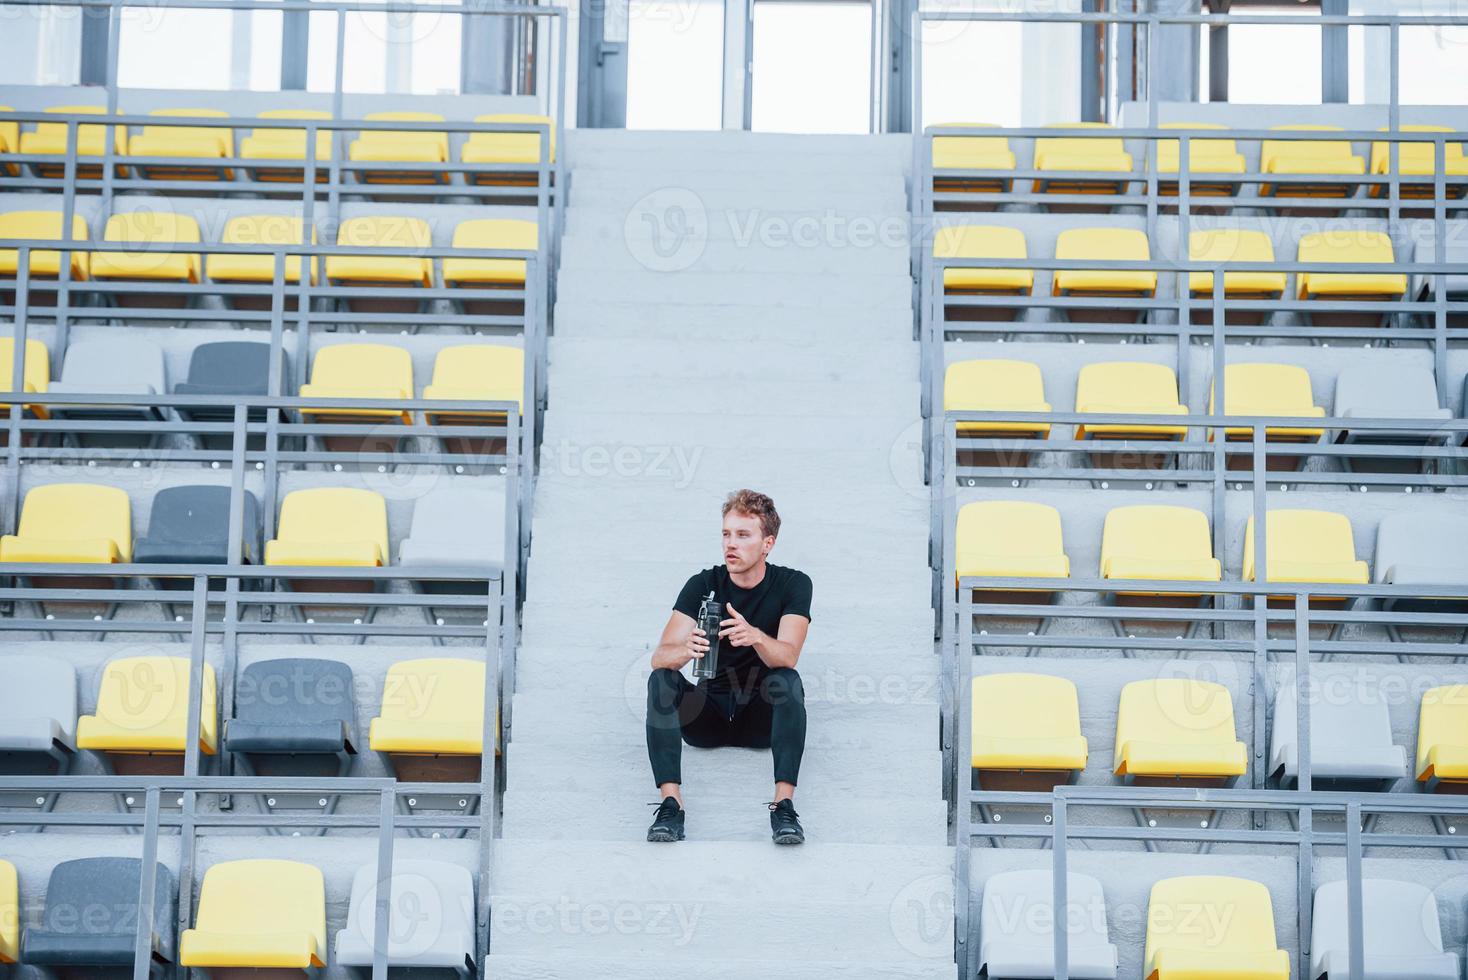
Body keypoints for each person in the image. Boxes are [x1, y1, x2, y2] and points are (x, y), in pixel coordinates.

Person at [644, 489, 813, 845]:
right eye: (726, 534)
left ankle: (783, 807)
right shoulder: (703, 584)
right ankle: (671, 805)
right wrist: (686, 650)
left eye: (743, 535)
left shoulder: (793, 584)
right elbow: (660, 656)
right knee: (662, 678)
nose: (730, 544)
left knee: (788, 679)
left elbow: (788, 655)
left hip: (760, 718)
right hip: (707, 716)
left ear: (768, 543)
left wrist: (754, 636)